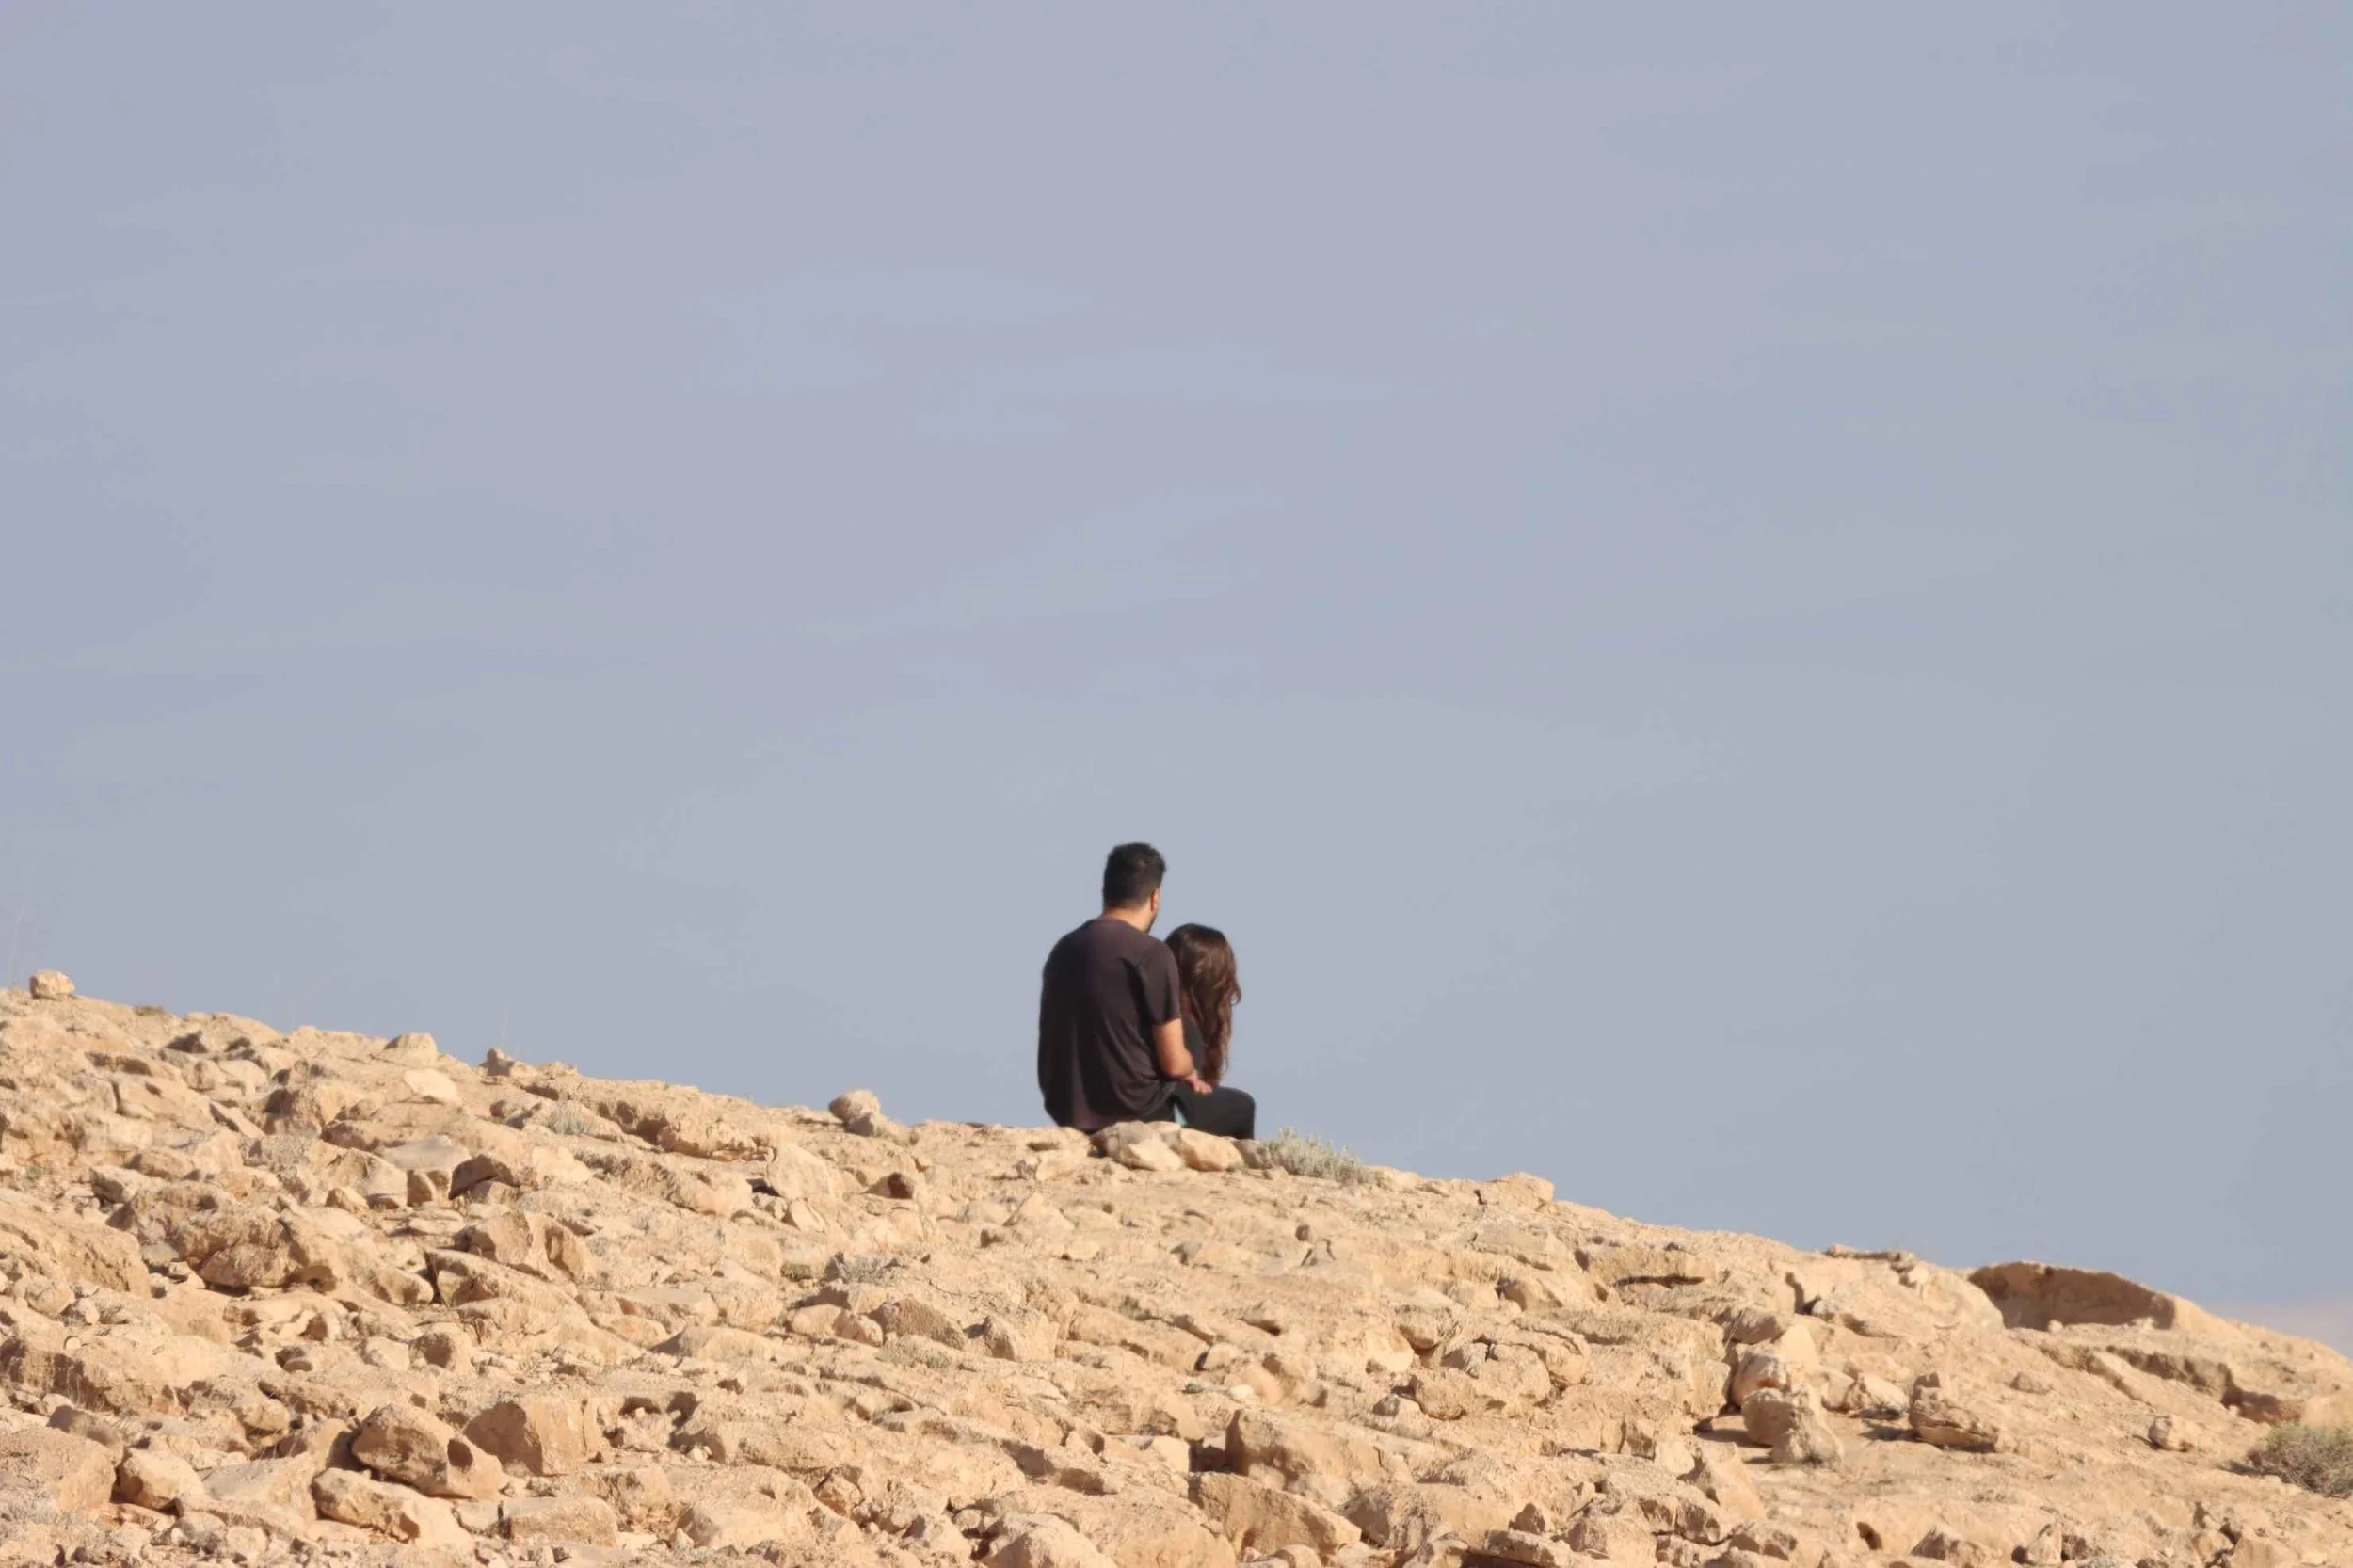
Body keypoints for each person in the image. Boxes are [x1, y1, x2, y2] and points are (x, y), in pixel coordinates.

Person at [1037, 843, 1257, 1140]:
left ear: (1106, 891)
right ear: (1155, 898)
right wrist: (1189, 1070)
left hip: (1066, 1108)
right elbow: (1173, 1062)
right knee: (1242, 1106)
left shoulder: (1063, 949)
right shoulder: (1151, 954)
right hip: (1134, 1110)